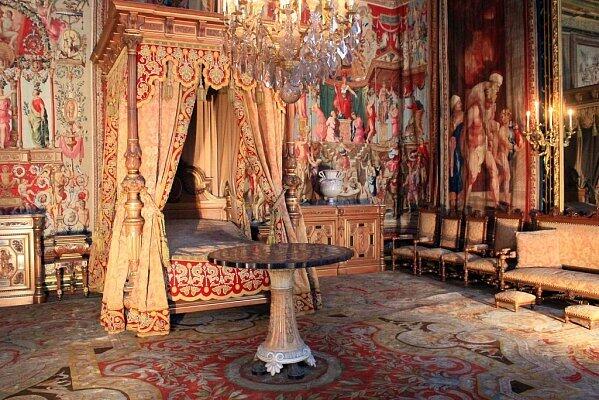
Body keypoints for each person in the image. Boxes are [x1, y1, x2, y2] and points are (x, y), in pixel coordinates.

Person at [448, 95, 464, 211]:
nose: (460, 104)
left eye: (460, 102)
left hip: (461, 146)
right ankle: (453, 196)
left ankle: (459, 195)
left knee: (458, 168)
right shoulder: (450, 118)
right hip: (453, 147)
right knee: (453, 169)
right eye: (458, 103)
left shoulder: (463, 115)